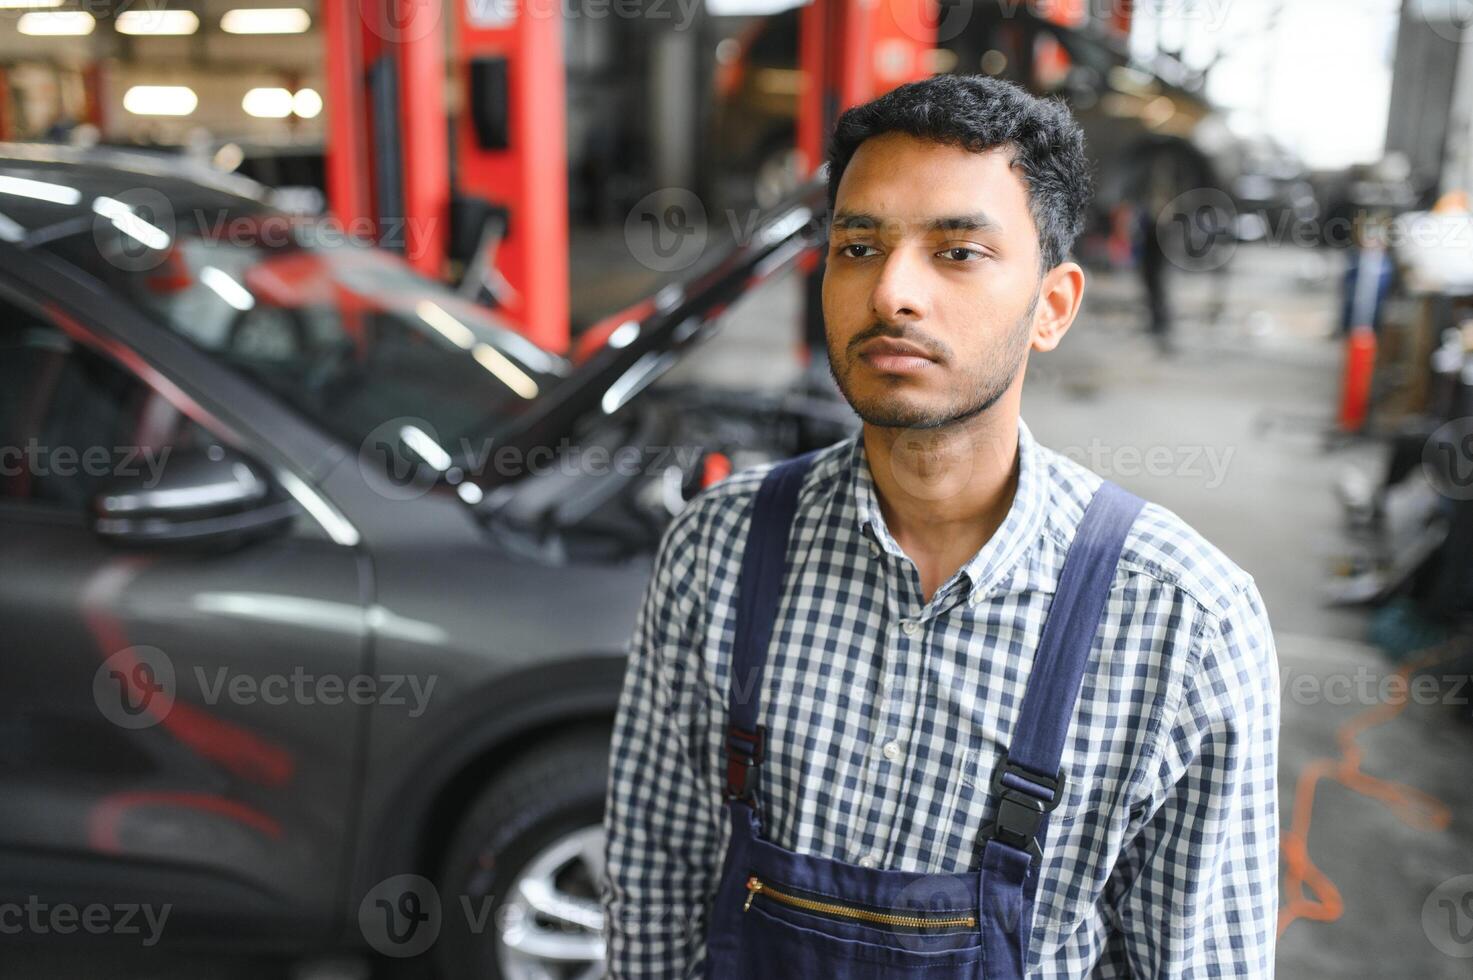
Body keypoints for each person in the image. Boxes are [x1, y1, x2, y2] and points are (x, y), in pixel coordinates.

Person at [601, 74, 1279, 978]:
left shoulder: (1184, 625)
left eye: (957, 252)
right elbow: (656, 884)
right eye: (857, 246)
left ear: (1053, 306)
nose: (892, 293)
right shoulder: (716, 553)